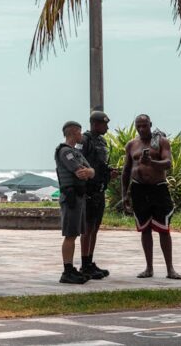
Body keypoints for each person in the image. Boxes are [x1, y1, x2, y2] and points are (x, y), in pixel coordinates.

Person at [121, 114, 181, 279]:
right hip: (138, 190)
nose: (142, 129)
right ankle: (149, 268)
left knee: (164, 229)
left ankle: (170, 269)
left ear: (150, 124)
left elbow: (168, 163)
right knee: (145, 229)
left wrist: (152, 163)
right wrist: (124, 194)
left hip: (158, 189)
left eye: (145, 125)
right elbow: (126, 170)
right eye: (138, 126)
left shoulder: (161, 142)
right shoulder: (132, 144)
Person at [77, 111, 118, 279]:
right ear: (95, 124)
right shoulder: (84, 140)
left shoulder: (101, 141)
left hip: (100, 190)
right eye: (104, 124)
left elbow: (99, 165)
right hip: (88, 191)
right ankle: (84, 263)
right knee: (87, 229)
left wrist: (109, 173)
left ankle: (90, 261)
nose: (107, 127)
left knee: (95, 228)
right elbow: (79, 164)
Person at [54, 121, 95, 284]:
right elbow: (80, 172)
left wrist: (90, 171)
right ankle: (67, 270)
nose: (82, 136)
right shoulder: (65, 152)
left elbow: (90, 170)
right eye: (80, 132)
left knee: (76, 233)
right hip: (70, 198)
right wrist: (88, 172)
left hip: (79, 197)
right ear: (73, 132)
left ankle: (71, 268)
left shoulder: (76, 152)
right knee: (70, 234)